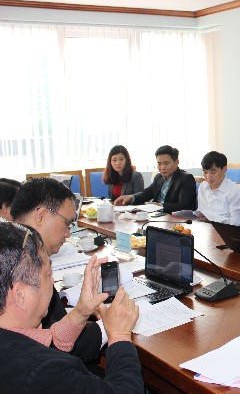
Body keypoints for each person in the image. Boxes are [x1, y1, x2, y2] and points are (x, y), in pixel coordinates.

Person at [0, 223, 143, 392]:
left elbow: (44, 344)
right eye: (48, 274)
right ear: (20, 295)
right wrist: (120, 336)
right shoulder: (43, 372)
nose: (52, 281)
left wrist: (81, 311)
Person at [10, 177, 103, 362]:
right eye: (67, 223)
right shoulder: (25, 270)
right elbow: (53, 347)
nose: (68, 233)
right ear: (41, 215)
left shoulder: (15, 251)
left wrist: (82, 311)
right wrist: (110, 327)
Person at [114, 145, 197, 213]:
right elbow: (146, 193)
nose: (162, 167)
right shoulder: (159, 177)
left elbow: (184, 206)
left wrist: (159, 206)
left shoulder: (186, 178)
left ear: (176, 162)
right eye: (159, 164)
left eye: (166, 163)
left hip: (175, 219)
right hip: (157, 216)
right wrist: (131, 197)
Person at [196, 151, 240, 226]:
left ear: (224, 170)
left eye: (213, 172)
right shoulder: (202, 187)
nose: (208, 177)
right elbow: (201, 212)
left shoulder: (235, 192)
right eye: (205, 172)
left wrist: (211, 220)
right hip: (205, 229)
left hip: (224, 231)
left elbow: (236, 223)